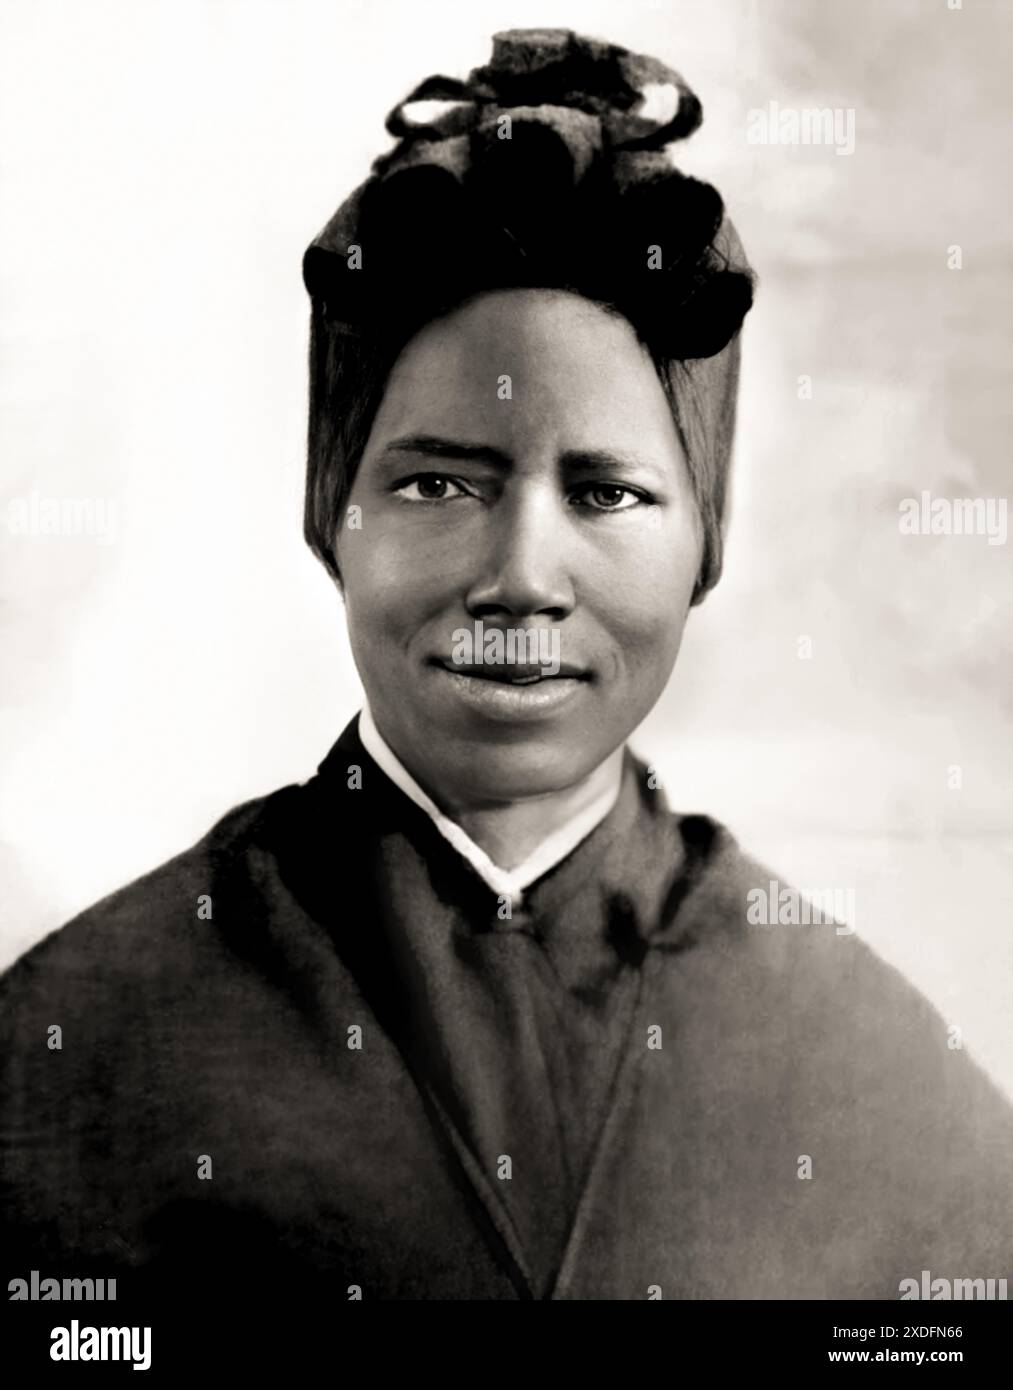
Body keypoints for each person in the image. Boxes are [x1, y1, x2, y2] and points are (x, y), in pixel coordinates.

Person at [2, 28, 1011, 1305]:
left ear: (704, 539)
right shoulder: (82, 1034)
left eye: (605, 492)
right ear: (332, 515)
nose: (521, 573)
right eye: (436, 481)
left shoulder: (866, 1068)